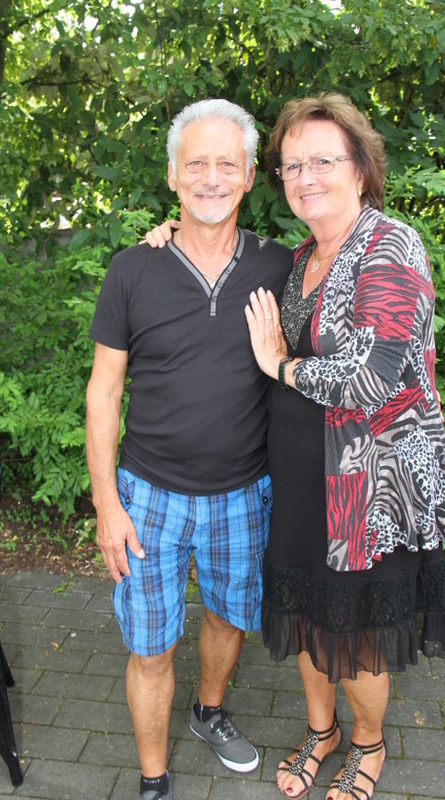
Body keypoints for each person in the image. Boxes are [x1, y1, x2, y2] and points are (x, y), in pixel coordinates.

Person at [146, 93, 445, 800]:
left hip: (367, 487)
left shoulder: (389, 246)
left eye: (322, 161)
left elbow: (371, 379)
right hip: (296, 480)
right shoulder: (298, 258)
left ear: (359, 168)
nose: (305, 176)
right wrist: (170, 231)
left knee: (357, 630)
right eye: (291, 165)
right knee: (309, 613)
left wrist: (280, 366)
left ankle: (368, 745)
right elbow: (212, 250)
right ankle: (321, 732)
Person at [85, 98, 293, 800]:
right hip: (147, 497)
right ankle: (153, 777)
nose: (210, 177)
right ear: (172, 175)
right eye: (195, 163)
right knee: (151, 647)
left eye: (226, 164)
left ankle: (208, 712)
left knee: (230, 618)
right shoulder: (132, 269)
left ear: (249, 176)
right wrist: (106, 504)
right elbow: (103, 392)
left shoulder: (280, 266)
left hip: (245, 493)